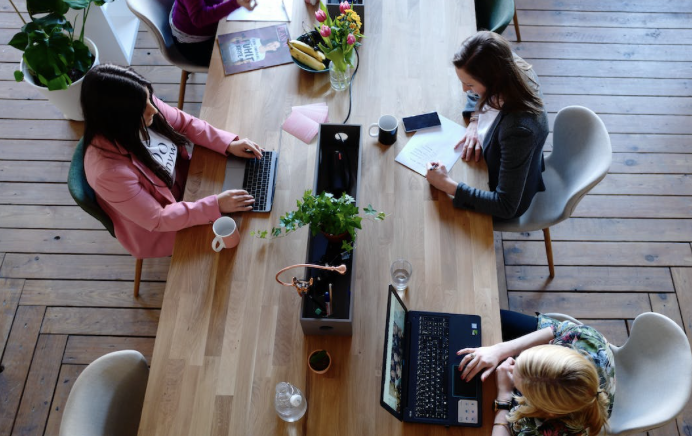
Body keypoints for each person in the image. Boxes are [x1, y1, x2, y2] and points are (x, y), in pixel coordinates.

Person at [81, 64, 263, 259]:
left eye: (149, 98)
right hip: (162, 227)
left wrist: (228, 144)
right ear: (118, 118)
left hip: (189, 185)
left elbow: (185, 124)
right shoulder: (108, 173)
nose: (154, 109)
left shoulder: (140, 104)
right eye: (144, 108)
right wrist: (215, 205)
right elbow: (158, 218)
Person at [425, 31, 549, 220]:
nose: (464, 90)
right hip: (494, 161)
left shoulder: (519, 131)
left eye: (469, 84)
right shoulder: (505, 64)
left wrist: (447, 184)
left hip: (503, 195)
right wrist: (476, 119)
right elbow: (478, 95)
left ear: (493, 81)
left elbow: (506, 205)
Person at [457, 312, 615, 435]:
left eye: (519, 386)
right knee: (490, 318)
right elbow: (555, 329)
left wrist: (504, 396)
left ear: (547, 411)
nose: (509, 367)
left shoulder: (544, 428)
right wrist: (498, 350)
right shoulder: (587, 339)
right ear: (554, 350)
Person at [170, 0, 256, 65]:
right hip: (195, 46)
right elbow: (199, 19)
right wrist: (235, 3)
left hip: (212, 25)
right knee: (244, 61)